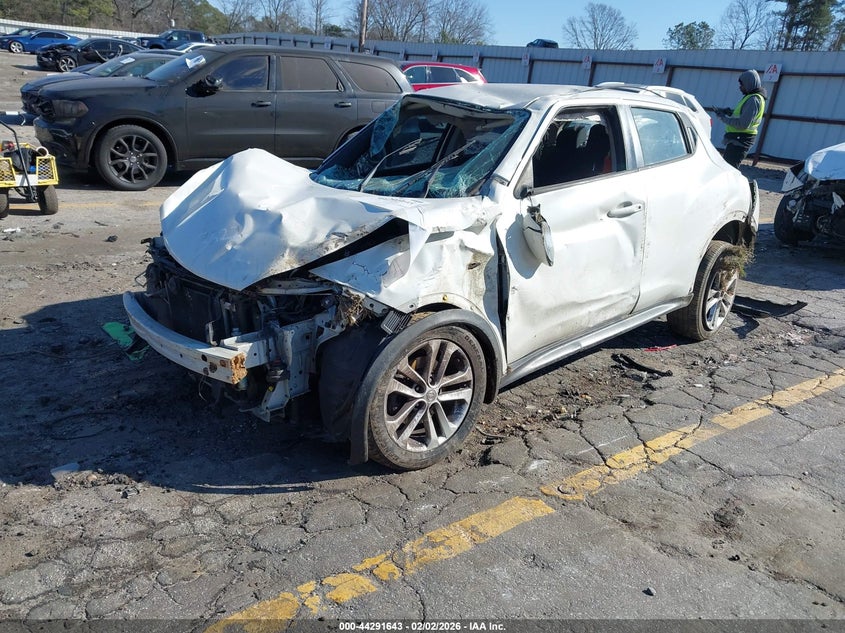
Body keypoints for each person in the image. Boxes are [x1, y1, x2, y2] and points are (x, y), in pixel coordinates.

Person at [711, 69, 767, 169]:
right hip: (739, 139)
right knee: (728, 169)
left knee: (729, 170)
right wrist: (729, 112)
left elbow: (743, 124)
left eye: (742, 85)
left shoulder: (753, 100)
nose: (740, 87)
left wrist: (723, 118)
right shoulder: (752, 97)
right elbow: (742, 115)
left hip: (740, 140)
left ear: (749, 84)